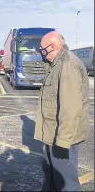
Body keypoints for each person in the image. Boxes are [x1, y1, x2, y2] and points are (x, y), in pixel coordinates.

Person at [34, 31, 89, 191]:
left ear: (53, 46)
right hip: (52, 135)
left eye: (42, 49)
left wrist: (63, 141)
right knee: (51, 178)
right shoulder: (56, 65)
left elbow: (70, 108)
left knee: (66, 184)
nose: (41, 53)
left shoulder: (68, 65)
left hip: (63, 138)